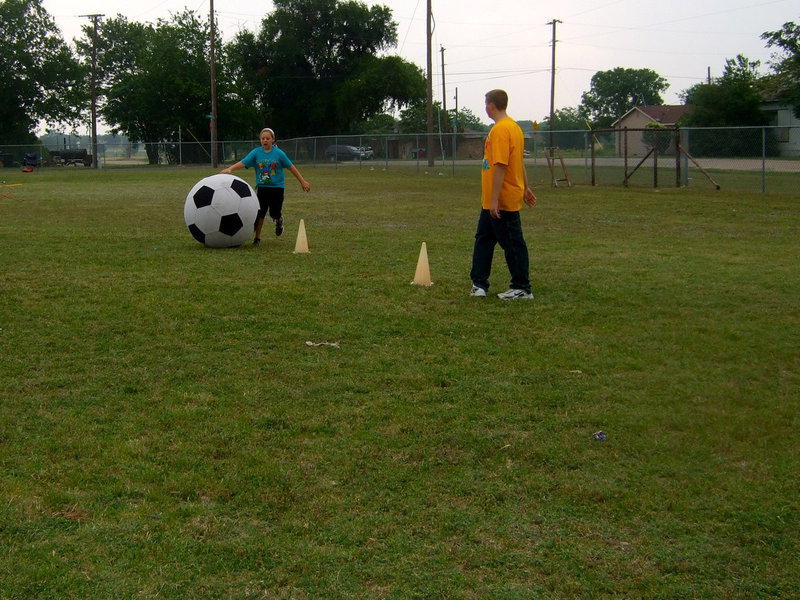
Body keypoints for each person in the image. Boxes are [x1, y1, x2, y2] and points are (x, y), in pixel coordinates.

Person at [470, 89, 537, 300]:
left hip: (501, 200)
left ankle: (522, 287)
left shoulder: (502, 129)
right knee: (483, 240)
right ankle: (479, 284)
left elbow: (501, 165)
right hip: (492, 200)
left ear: (491, 106)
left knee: (513, 243)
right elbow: (519, 162)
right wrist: (526, 187)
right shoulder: (515, 128)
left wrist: (495, 199)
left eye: (486, 104)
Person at [221, 128, 311, 245]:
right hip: (262, 188)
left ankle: (279, 220)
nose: (265, 140)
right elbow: (244, 162)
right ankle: (257, 238)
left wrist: (302, 181)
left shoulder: (279, 154)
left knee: (274, 213)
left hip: (277, 188)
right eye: (263, 138)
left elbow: (291, 167)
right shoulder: (256, 153)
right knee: (260, 213)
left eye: (268, 138)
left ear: (273, 139)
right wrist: (230, 169)